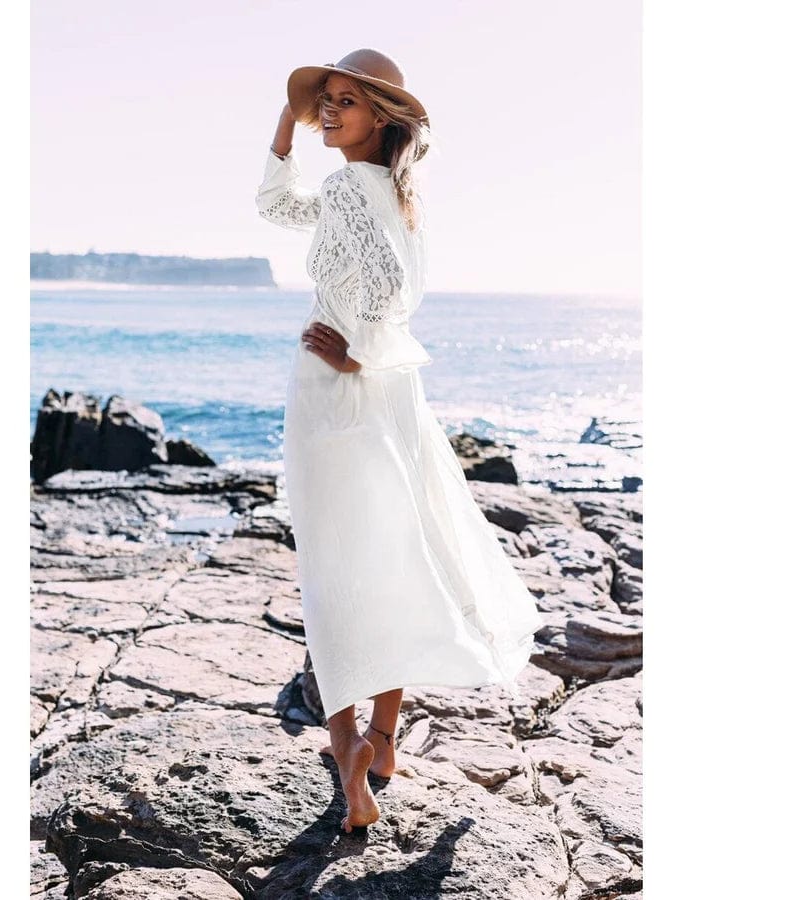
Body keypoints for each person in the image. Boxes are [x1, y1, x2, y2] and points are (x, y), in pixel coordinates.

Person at [256, 48, 544, 833]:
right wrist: (286, 125)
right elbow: (287, 213)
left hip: (339, 387)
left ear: (381, 117)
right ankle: (382, 743)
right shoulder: (392, 191)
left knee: (337, 565)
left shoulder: (351, 186)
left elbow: (387, 289)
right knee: (396, 553)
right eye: (324, 101)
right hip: (390, 390)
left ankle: (347, 745)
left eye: (342, 102)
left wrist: (352, 352)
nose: (326, 111)